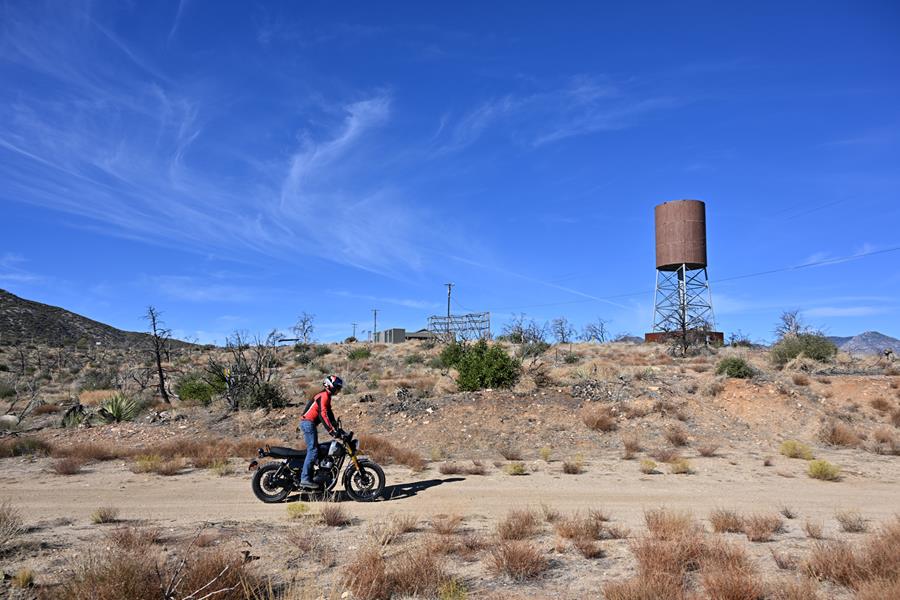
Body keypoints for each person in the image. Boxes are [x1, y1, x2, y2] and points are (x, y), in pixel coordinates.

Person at [298, 375, 343, 488]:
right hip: (308, 423)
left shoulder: (326, 396)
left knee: (316, 450)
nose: (339, 390)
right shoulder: (323, 396)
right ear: (330, 386)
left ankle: (317, 471)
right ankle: (304, 478)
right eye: (337, 387)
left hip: (309, 423)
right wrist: (332, 431)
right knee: (313, 451)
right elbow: (323, 415)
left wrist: (336, 426)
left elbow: (329, 412)